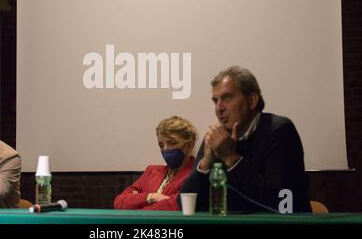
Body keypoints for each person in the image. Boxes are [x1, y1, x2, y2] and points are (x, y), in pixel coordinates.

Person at [179, 66, 311, 213]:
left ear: (252, 100)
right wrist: (204, 165)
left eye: (227, 98)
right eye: (215, 101)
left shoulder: (279, 130)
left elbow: (283, 203)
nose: (218, 108)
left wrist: (231, 158)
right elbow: (186, 205)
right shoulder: (217, 139)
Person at [114, 116, 198, 210]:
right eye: (161, 145)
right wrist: (151, 197)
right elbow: (119, 202)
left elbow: (175, 206)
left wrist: (137, 204)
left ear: (189, 145)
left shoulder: (195, 176)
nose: (165, 149)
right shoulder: (151, 171)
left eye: (172, 143)